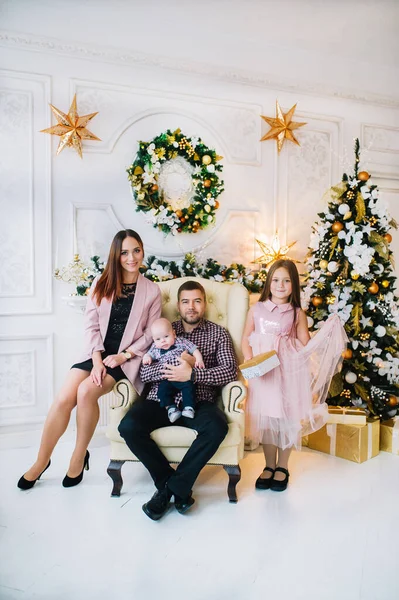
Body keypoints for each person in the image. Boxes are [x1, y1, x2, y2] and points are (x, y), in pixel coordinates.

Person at [17, 229, 161, 490]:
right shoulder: (101, 282)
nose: (132, 258)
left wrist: (124, 355)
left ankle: (78, 455)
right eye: (125, 252)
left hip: (124, 360)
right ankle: (41, 461)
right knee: (64, 398)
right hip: (94, 353)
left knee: (86, 392)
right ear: (116, 256)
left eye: (136, 251)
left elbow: (151, 333)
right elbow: (90, 324)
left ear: (142, 252)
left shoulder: (152, 290)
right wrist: (96, 360)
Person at [118, 280, 237, 520]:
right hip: (160, 400)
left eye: (197, 301)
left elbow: (229, 371)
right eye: (185, 301)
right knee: (128, 426)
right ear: (178, 305)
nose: (191, 306)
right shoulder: (162, 330)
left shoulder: (218, 333)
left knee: (216, 427)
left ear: (204, 304)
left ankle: (168, 491)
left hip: (199, 400)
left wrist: (193, 374)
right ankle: (172, 486)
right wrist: (173, 370)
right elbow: (145, 371)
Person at [241, 259, 347, 492]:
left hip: (288, 370)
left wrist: (325, 333)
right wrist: (250, 361)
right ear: (269, 283)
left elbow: (305, 343)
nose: (281, 285)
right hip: (264, 372)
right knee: (268, 420)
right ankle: (268, 465)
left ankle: (282, 466)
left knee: (285, 419)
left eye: (287, 281)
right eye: (276, 280)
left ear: (294, 285)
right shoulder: (256, 310)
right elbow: (246, 337)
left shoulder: (297, 313)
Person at [142, 318, 205, 422]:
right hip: (168, 379)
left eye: (166, 336)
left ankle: (189, 408)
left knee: (189, 388)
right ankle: (171, 408)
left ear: (174, 334)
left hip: (183, 376)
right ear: (154, 340)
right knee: (162, 391)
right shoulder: (155, 348)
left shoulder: (181, 342)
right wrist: (147, 357)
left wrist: (199, 359)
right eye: (158, 339)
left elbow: (194, 350)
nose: (163, 341)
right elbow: (148, 354)